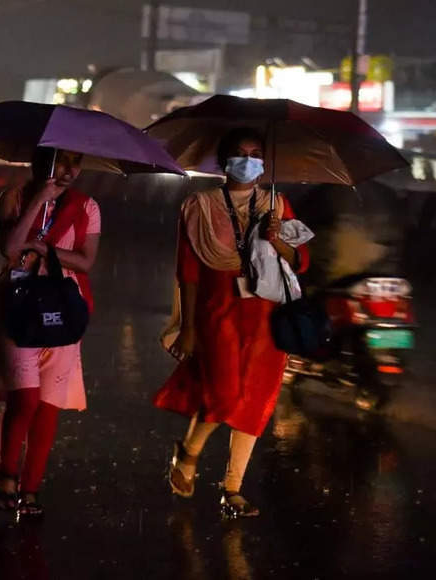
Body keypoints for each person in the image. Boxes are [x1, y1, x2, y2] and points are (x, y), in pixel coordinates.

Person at [153, 127, 310, 518]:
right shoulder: (199, 205)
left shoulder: (277, 204)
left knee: (257, 399)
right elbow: (187, 271)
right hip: (217, 310)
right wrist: (188, 327)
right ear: (224, 162)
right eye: (240, 154)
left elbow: (300, 261)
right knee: (222, 394)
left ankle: (233, 489)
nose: (249, 160)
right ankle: (188, 453)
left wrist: (277, 240)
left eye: (256, 153)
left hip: (265, 314)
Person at [0, 147, 101, 518]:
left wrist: (44, 248)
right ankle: (6, 478)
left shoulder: (88, 207)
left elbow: (85, 260)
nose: (69, 170)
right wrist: (40, 201)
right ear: (39, 162)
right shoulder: (14, 198)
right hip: (18, 307)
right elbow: (10, 248)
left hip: (64, 309)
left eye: (76, 162)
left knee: (49, 405)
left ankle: (31, 488)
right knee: (26, 399)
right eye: (61, 161)